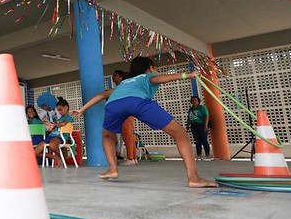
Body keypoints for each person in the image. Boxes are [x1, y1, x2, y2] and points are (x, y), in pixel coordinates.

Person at [72, 56, 217, 188]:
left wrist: (82, 109)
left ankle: (112, 169)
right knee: (180, 134)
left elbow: (102, 95)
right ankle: (193, 178)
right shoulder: (147, 76)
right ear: (151, 67)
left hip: (114, 104)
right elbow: (157, 79)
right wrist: (187, 75)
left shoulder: (124, 83)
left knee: (107, 136)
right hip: (137, 102)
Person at [111, 69, 138, 166]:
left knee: (127, 135)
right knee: (129, 135)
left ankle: (130, 158)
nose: (113, 77)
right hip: (127, 112)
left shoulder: (122, 88)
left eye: (115, 75)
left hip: (125, 113)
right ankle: (133, 158)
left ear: (121, 77)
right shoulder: (124, 88)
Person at [43, 98, 75, 167]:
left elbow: (63, 124)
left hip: (61, 137)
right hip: (52, 135)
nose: (59, 112)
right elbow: (56, 130)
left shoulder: (69, 118)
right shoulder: (59, 119)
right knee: (35, 152)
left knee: (52, 144)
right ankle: (55, 157)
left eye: (60, 109)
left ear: (66, 108)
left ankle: (59, 157)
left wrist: (54, 124)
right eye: (58, 110)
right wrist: (51, 127)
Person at [186, 95, 212, 161]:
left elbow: (206, 116)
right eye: (193, 100)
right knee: (197, 141)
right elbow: (189, 118)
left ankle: (207, 155)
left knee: (204, 140)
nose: (194, 101)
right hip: (193, 125)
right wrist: (187, 126)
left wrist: (205, 125)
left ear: (198, 101)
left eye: (195, 100)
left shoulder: (202, 108)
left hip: (201, 124)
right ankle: (199, 155)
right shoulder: (191, 109)